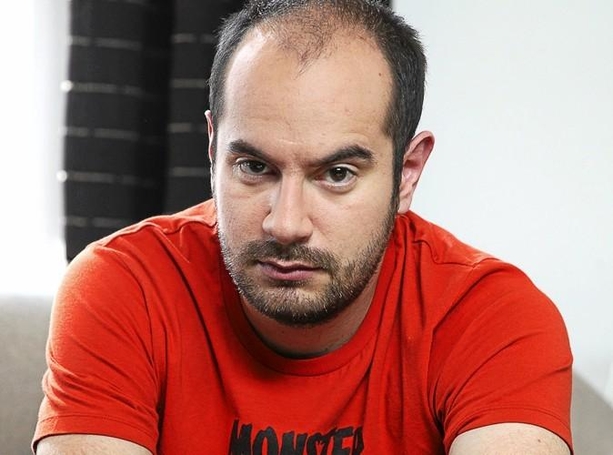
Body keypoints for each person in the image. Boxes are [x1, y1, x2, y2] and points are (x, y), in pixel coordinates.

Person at [33, 0, 573, 453]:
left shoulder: (492, 316)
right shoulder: (124, 285)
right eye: (254, 167)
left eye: (337, 174)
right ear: (213, 149)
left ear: (407, 173)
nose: (286, 223)